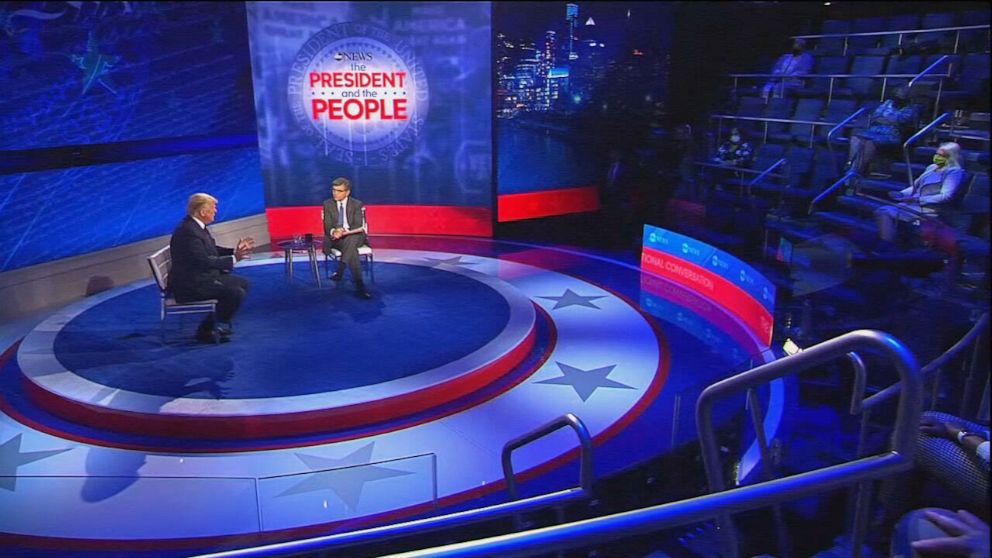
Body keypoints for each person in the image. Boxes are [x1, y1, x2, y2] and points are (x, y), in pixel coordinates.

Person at [168, 193, 253, 343]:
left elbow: (211, 249)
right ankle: (206, 330)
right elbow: (204, 261)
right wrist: (234, 259)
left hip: (201, 276)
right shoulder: (188, 232)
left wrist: (233, 251)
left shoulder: (196, 227)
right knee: (234, 292)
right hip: (191, 284)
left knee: (243, 284)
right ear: (202, 212)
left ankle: (214, 324)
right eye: (213, 208)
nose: (215, 211)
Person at [875, 142, 965, 244]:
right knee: (884, 210)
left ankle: (887, 244)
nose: (937, 157)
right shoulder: (932, 167)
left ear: (951, 156)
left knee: (883, 211)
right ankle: (889, 242)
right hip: (915, 204)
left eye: (941, 155)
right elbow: (916, 186)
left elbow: (946, 196)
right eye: (937, 154)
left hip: (931, 209)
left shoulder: (954, 172)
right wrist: (901, 194)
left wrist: (917, 199)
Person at [848, 87, 916, 177]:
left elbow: (900, 121)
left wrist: (884, 119)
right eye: (898, 93)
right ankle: (853, 167)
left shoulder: (910, 109)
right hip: (874, 131)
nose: (899, 96)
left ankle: (856, 171)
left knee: (869, 143)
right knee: (855, 139)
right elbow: (875, 116)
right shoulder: (887, 103)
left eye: (902, 94)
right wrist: (890, 121)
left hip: (891, 134)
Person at [323, 177, 372, 299]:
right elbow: (327, 225)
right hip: (337, 239)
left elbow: (358, 224)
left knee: (351, 239)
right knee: (352, 251)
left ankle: (340, 270)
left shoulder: (357, 204)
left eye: (339, 191)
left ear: (347, 192)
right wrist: (334, 231)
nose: (335, 193)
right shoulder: (327, 204)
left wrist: (344, 231)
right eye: (334, 190)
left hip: (354, 236)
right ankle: (360, 285)